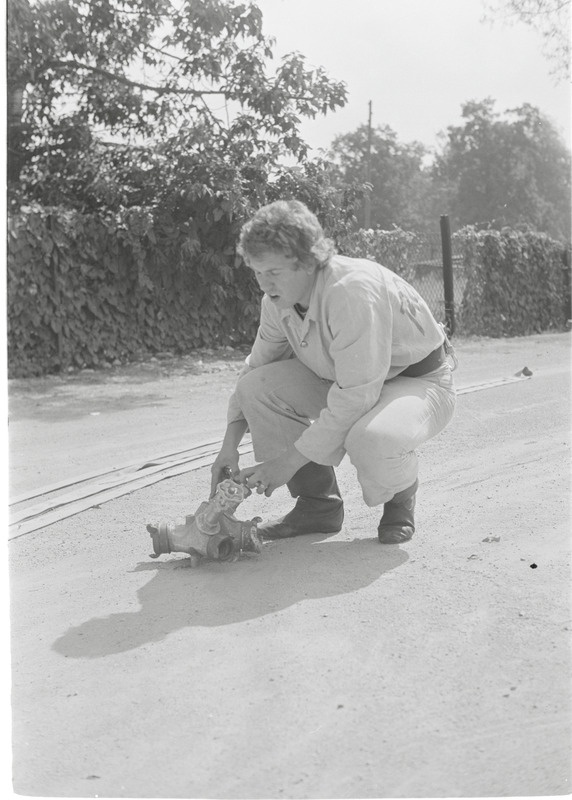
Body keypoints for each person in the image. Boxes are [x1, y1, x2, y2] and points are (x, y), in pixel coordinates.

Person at [210, 200, 457, 544]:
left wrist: (286, 463)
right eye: (257, 272)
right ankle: (318, 507)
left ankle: (401, 494)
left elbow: (357, 396)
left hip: (417, 383)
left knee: (371, 439)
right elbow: (256, 368)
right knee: (256, 387)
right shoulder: (276, 302)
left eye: (274, 273)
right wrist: (229, 447)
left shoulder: (351, 290)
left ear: (308, 262)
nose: (264, 284)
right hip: (351, 383)